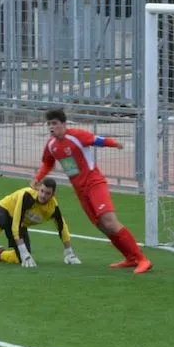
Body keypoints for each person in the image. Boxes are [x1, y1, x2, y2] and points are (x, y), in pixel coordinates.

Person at [31, 108, 152, 274]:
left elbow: (97, 140)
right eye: (49, 124)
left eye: (55, 123)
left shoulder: (76, 135)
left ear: (64, 124)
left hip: (94, 183)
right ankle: (130, 258)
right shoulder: (51, 145)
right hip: (80, 191)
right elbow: (47, 163)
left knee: (109, 221)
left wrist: (114, 143)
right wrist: (38, 178)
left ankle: (142, 259)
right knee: (102, 226)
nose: (52, 127)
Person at [0, 178, 81, 267]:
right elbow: (16, 224)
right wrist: (23, 251)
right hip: (4, 209)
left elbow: (62, 227)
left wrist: (69, 251)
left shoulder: (53, 208)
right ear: (38, 189)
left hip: (20, 223)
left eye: (47, 193)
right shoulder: (27, 197)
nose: (43, 195)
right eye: (41, 191)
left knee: (20, 259)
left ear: (53, 195)